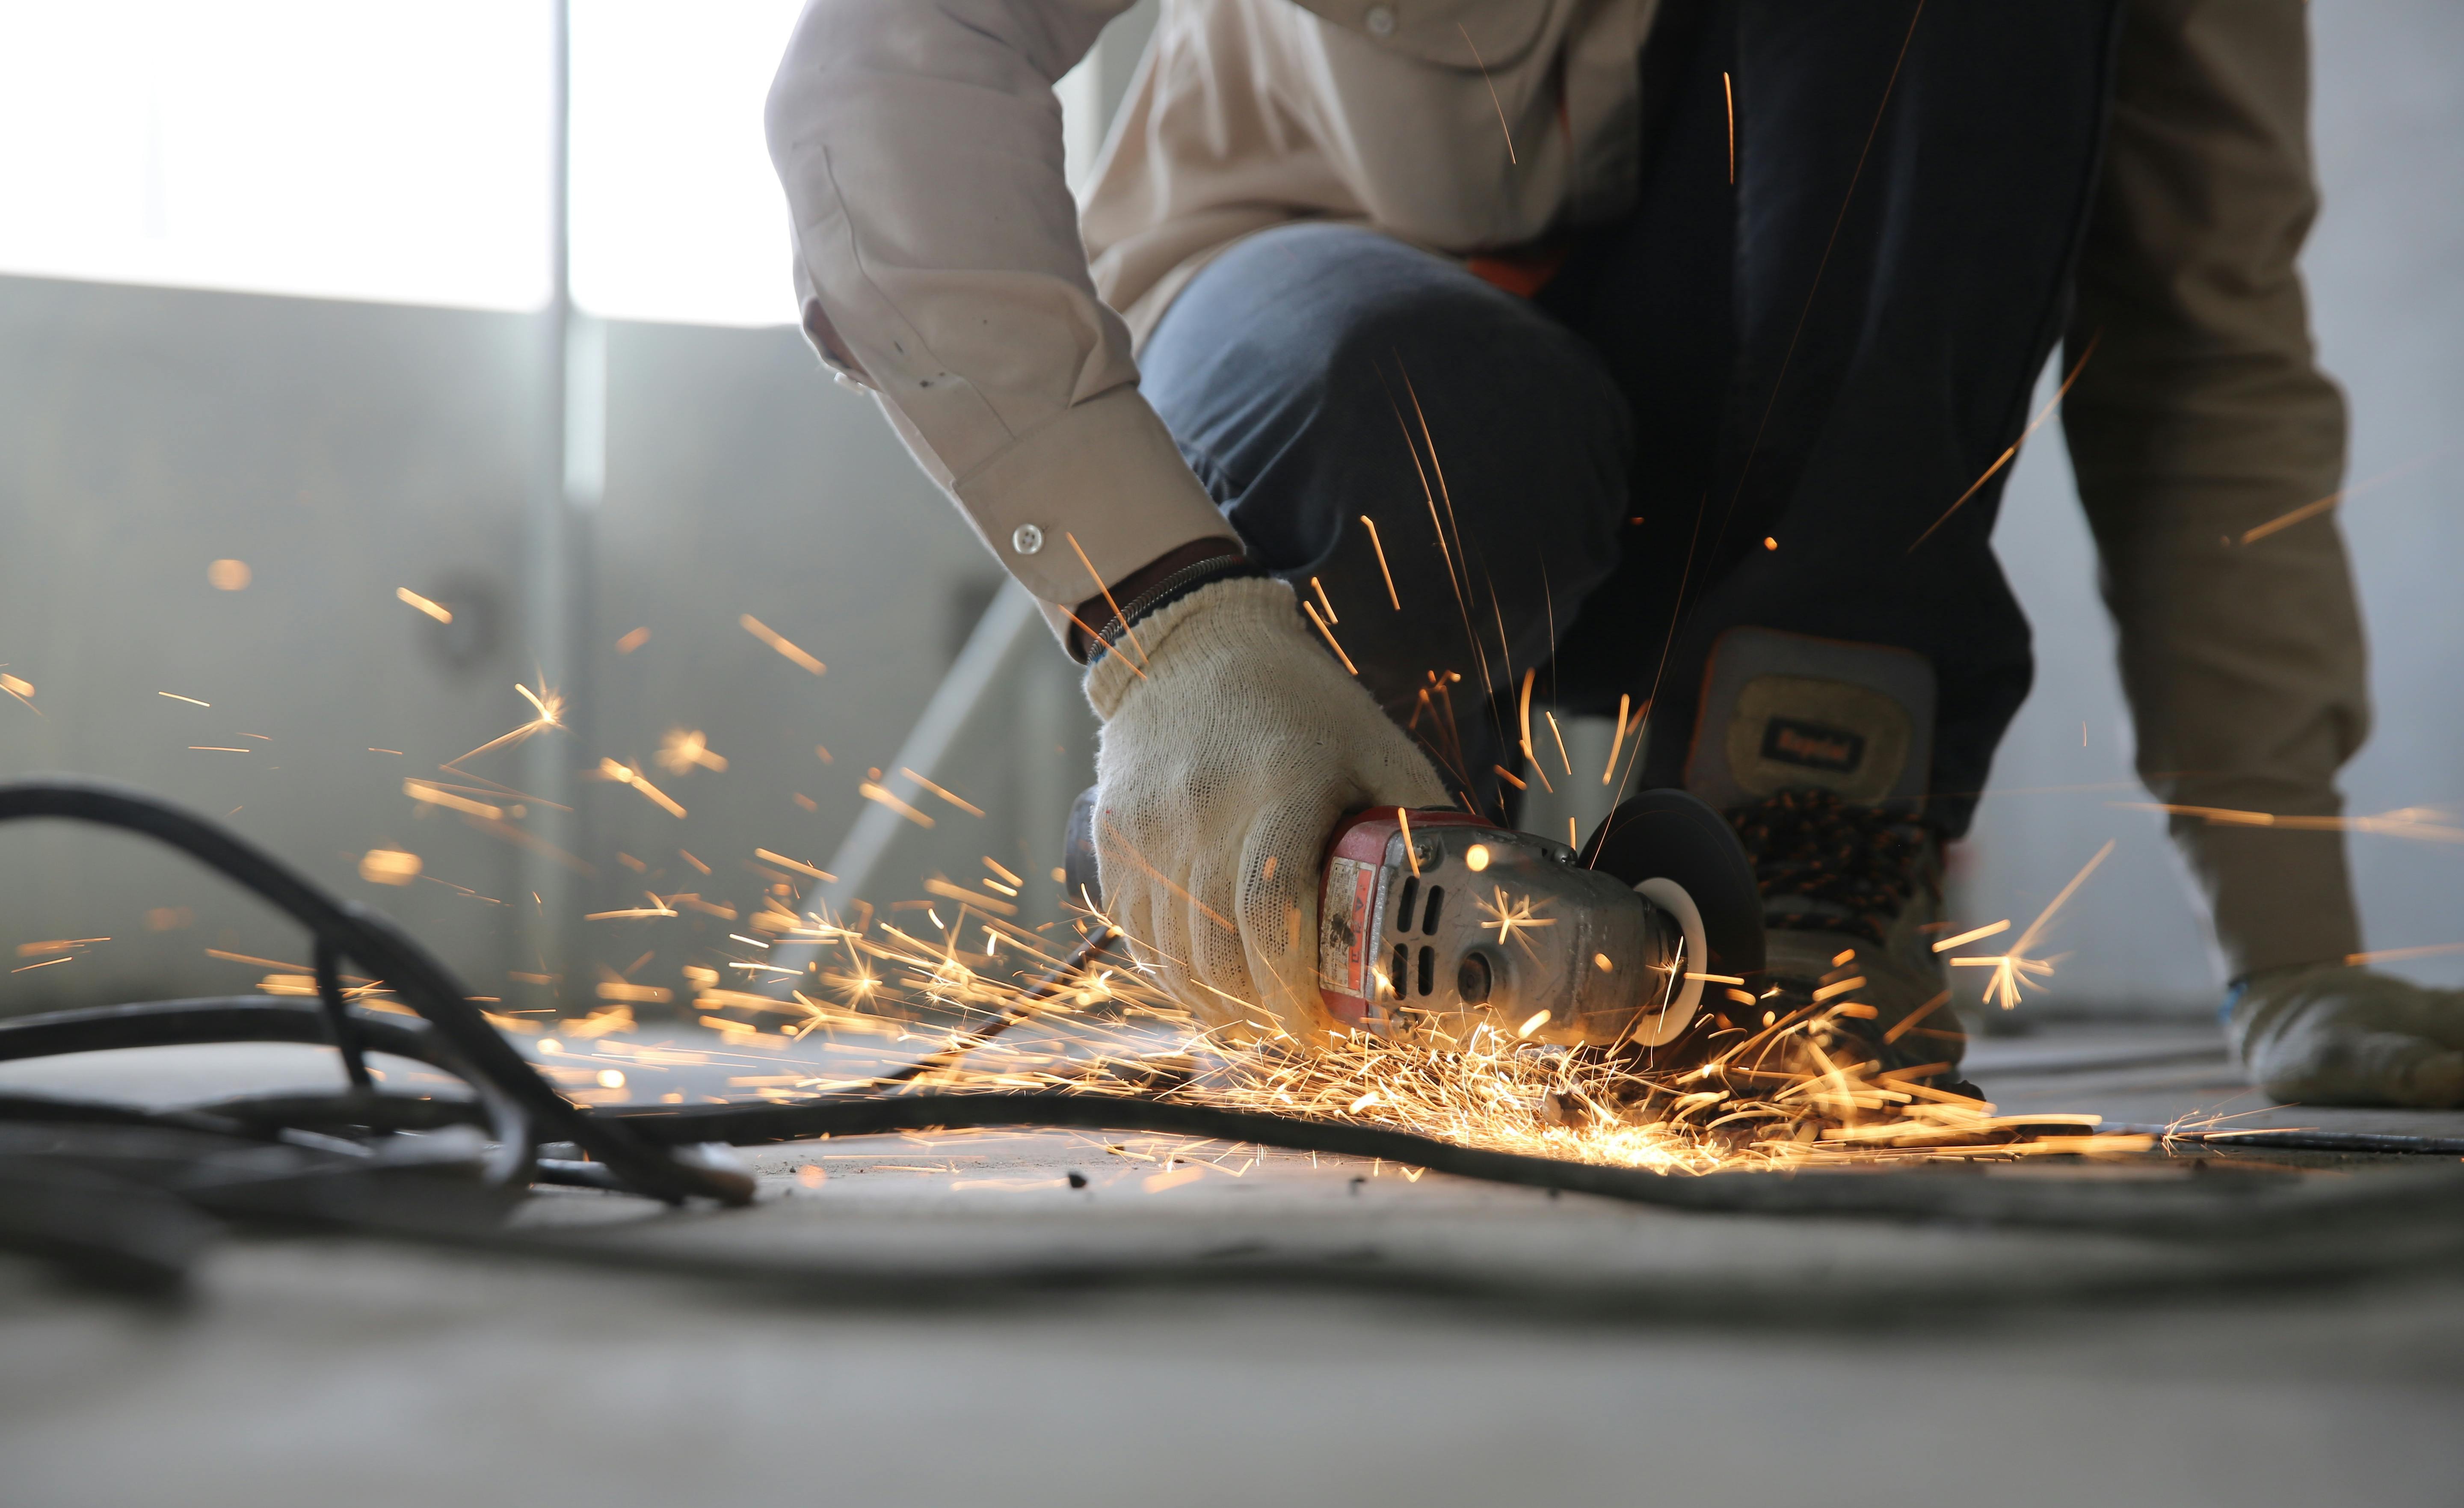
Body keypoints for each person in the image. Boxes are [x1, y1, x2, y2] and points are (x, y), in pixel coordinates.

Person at [767, 0, 2459, 1105]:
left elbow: (2205, 344)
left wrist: (2295, 945)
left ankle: (1802, 852)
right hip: (1339, 360)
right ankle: (1351, 842)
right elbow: (888, 67)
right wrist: (1169, 632)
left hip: (1777, 468)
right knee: (1414, 409)